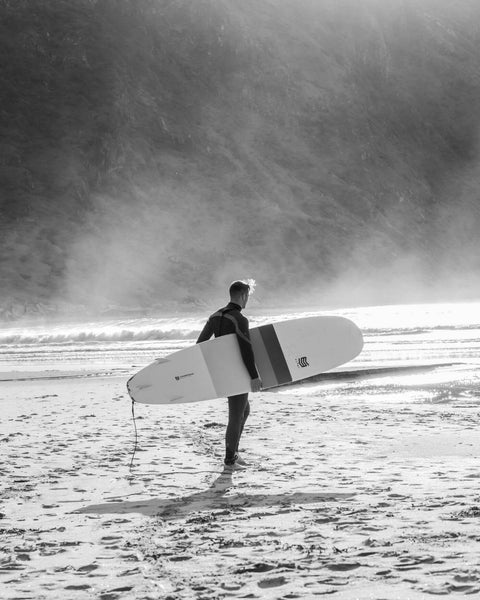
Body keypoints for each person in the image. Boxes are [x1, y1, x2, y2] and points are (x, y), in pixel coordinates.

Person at [196, 280, 262, 467]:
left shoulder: (215, 316)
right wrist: (254, 376)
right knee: (236, 415)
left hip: (223, 372)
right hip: (237, 372)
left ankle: (234, 451)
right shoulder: (240, 319)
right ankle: (229, 458)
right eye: (247, 296)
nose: (247, 299)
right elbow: (245, 349)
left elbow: (200, 345)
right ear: (242, 295)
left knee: (244, 410)